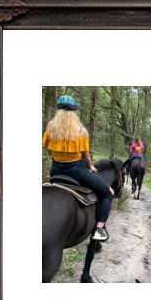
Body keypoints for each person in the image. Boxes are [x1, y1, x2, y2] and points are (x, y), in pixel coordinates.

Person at [42, 95, 114, 241]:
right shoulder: (82, 131)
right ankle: (99, 229)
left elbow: (49, 151)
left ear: (59, 111)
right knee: (108, 193)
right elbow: (86, 157)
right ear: (74, 113)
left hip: (55, 169)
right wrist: (90, 167)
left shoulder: (50, 126)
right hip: (77, 171)